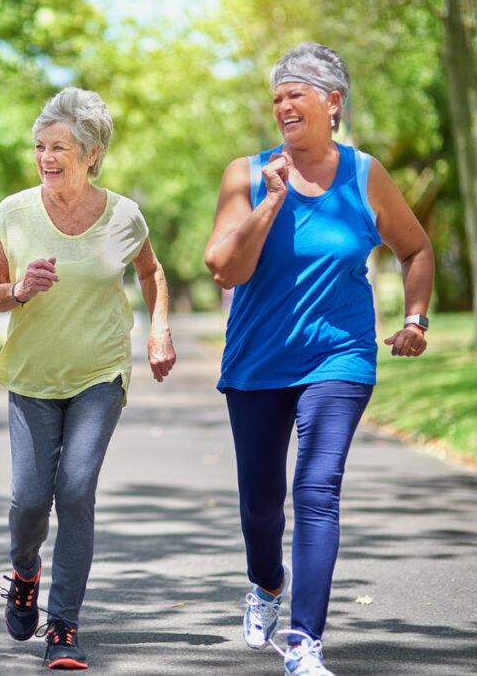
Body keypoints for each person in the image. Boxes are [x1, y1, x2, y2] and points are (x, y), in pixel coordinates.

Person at [204, 42, 434, 676]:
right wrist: (271, 200)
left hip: (341, 356)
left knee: (317, 489)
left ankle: (305, 640)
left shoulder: (365, 176)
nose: (282, 105)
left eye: (295, 94)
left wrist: (414, 318)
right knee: (260, 501)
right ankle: (267, 583)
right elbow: (223, 269)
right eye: (276, 97)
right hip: (256, 361)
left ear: (333, 103)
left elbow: (416, 250)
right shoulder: (245, 174)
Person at [0, 87, 176, 670]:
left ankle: (62, 627)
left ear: (91, 153)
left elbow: (151, 272)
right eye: (40, 146)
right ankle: (24, 572)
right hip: (32, 375)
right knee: (29, 500)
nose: (46, 156)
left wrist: (158, 329)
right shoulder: (15, 213)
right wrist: (17, 289)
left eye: (58, 146)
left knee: (76, 490)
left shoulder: (120, 218)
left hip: (98, 372)